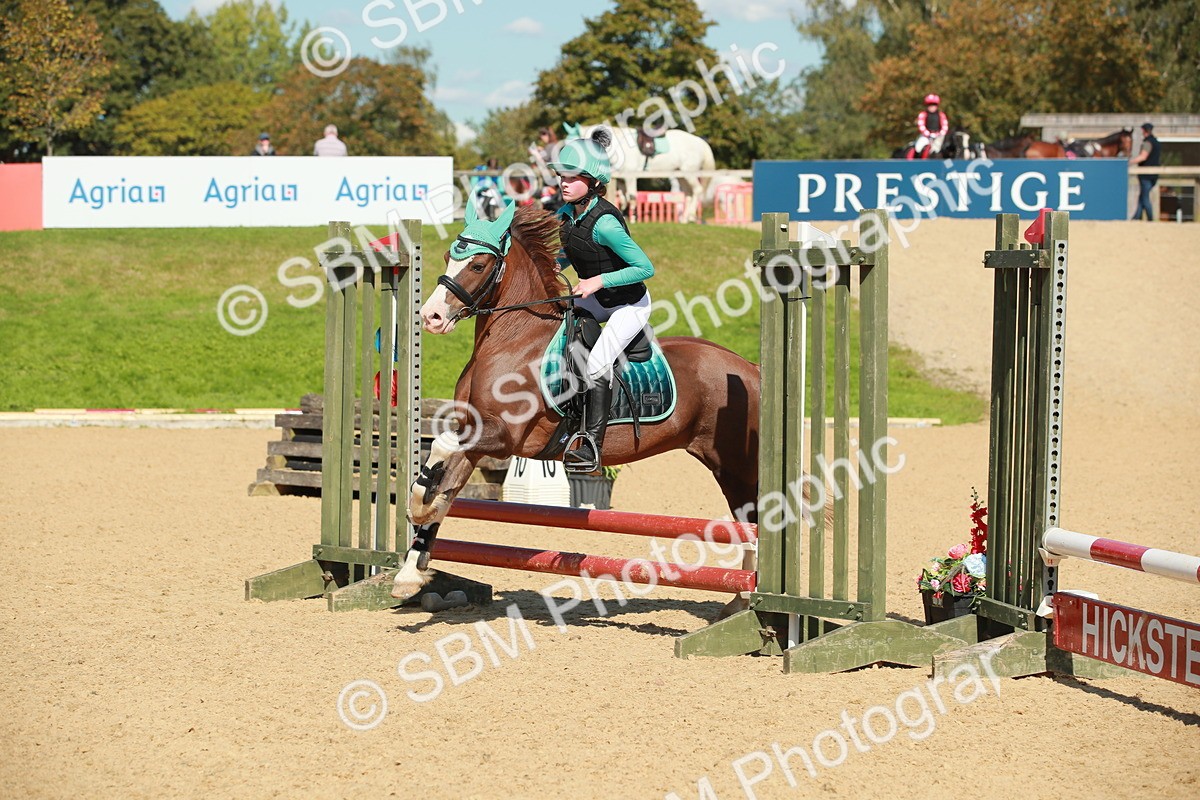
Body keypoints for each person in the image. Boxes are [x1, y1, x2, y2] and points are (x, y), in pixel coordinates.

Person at [548, 129, 655, 473]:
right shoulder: (568, 212)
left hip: (628, 303)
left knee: (596, 364)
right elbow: (572, 249)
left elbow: (645, 267)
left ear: (593, 181)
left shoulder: (606, 223)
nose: (564, 183)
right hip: (598, 298)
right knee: (556, 324)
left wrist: (597, 281)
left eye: (572, 177)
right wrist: (555, 265)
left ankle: (592, 443)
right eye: (561, 176)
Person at [1130, 122, 1161, 221]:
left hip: (1146, 174)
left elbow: (1143, 156)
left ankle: (1150, 218)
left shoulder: (1148, 142)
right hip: (1154, 174)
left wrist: (1129, 162)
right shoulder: (1156, 142)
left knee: (1145, 198)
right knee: (1143, 195)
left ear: (1144, 130)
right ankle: (1136, 217)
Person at [911, 94, 948, 159]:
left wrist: (939, 134)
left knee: (945, 149)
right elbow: (921, 126)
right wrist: (929, 134)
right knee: (918, 147)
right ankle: (916, 164)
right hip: (926, 137)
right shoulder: (923, 114)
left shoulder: (941, 115)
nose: (932, 106)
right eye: (930, 105)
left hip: (939, 137)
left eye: (934, 104)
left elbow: (945, 126)